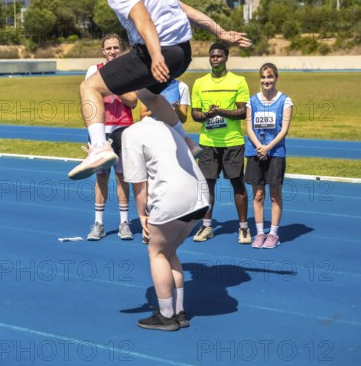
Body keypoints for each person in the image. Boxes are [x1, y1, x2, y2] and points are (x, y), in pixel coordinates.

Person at [68, 0, 251, 180]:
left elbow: (144, 20)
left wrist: (155, 56)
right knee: (148, 95)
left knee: (89, 87)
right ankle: (185, 141)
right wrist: (220, 32)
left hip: (160, 51)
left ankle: (99, 148)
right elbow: (185, 10)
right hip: (183, 54)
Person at [121, 117, 210, 331]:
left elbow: (139, 183)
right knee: (170, 252)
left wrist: (142, 215)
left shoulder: (130, 133)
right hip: (200, 194)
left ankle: (166, 315)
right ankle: (179, 312)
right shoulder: (169, 126)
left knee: (157, 252)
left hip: (174, 196)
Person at [191, 42, 251, 244]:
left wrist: (220, 112)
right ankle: (207, 227)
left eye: (218, 56)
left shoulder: (238, 81)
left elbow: (243, 112)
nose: (215, 59)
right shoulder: (200, 83)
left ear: (226, 58)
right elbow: (195, 115)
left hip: (232, 142)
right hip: (207, 142)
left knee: (237, 183)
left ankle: (243, 228)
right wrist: (206, 114)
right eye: (212, 56)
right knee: (207, 186)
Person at [85, 34, 138, 241]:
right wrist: (91, 135)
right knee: (101, 177)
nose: (113, 51)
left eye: (116, 48)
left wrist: (113, 86)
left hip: (124, 129)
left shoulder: (131, 70)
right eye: (109, 48)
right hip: (100, 131)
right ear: (103, 51)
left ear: (121, 49)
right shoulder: (93, 71)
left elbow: (133, 101)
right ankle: (98, 223)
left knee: (123, 177)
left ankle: (124, 222)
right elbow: (88, 102)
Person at [245, 62, 293, 249]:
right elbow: (249, 128)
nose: (267, 81)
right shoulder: (252, 101)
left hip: (275, 152)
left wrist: (268, 147)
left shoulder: (285, 101)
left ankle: (273, 234)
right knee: (257, 194)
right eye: (264, 77)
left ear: (276, 78)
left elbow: (284, 130)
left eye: (270, 77)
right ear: (260, 79)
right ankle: (259, 233)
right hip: (255, 151)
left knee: (274, 194)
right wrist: (259, 147)